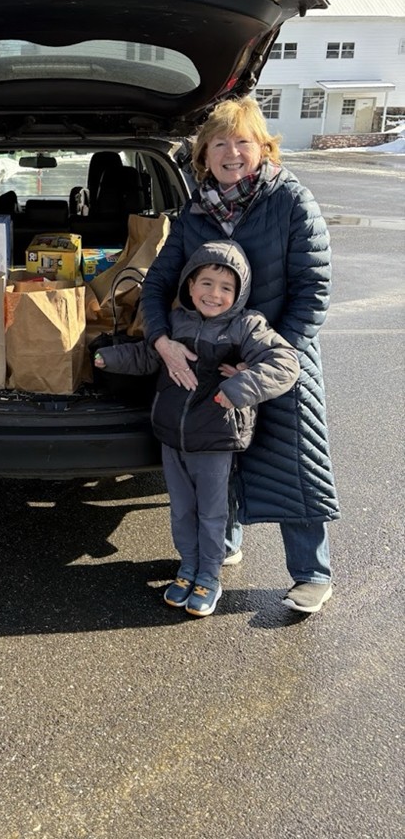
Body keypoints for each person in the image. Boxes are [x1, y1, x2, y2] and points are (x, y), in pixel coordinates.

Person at [141, 96, 340, 614]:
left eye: (243, 141)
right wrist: (162, 340)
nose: (232, 153)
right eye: (220, 143)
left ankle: (311, 573)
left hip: (279, 354)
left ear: (263, 148)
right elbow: (160, 281)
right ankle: (225, 543)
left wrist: (268, 357)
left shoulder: (290, 199)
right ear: (203, 154)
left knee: (293, 460)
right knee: (220, 454)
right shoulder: (195, 211)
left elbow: (313, 288)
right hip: (211, 359)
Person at [95, 240, 299, 616]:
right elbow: (146, 356)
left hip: (215, 438)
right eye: (206, 283)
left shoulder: (246, 326)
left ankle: (209, 576)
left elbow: (285, 364)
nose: (214, 294)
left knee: (211, 514)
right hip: (172, 436)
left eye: (226, 288)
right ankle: (187, 568)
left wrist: (237, 389)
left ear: (239, 294)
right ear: (190, 285)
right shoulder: (175, 322)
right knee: (181, 510)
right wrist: (107, 357)